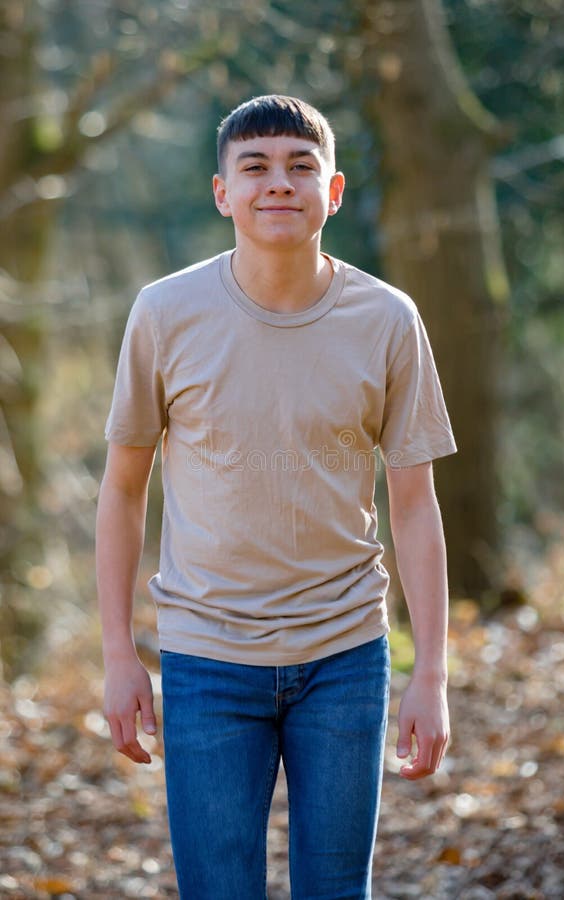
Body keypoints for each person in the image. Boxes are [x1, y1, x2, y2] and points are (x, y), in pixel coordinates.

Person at [96, 94, 457, 900]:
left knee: (337, 892)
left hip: (345, 655)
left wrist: (429, 672)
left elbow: (415, 506)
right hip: (206, 657)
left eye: (301, 166)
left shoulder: (388, 319)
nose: (278, 184)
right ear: (222, 192)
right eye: (254, 167)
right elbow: (123, 490)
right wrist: (120, 656)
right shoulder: (165, 313)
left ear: (331, 192)